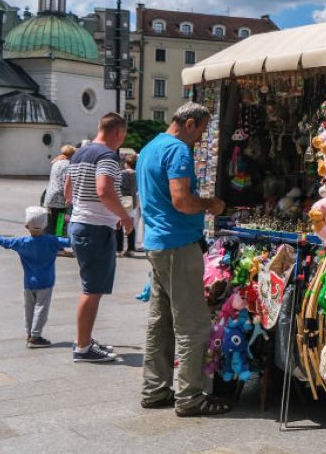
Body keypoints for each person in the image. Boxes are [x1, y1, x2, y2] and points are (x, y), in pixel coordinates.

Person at [139, 102, 230, 417]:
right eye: (202, 130)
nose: (201, 138)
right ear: (189, 123)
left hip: (156, 243)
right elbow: (181, 200)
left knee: (160, 322)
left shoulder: (150, 147)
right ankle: (190, 397)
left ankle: (154, 389)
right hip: (178, 245)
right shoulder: (177, 150)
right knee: (192, 324)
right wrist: (210, 204)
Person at [65, 113, 135, 363]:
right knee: (92, 290)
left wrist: (94, 210)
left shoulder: (79, 153)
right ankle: (83, 348)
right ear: (118, 132)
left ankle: (84, 339)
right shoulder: (106, 156)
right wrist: (124, 217)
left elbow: (68, 193)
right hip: (94, 229)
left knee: (91, 287)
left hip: (81, 223)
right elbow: (104, 190)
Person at [0, 207, 71, 348]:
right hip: (46, 282)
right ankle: (36, 337)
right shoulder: (53, 241)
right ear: (45, 225)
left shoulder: (21, 242)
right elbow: (71, 242)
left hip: (28, 283)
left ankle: (29, 333)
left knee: (29, 308)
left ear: (26, 226)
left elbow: (4, 242)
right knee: (41, 309)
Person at [44, 145, 76, 240]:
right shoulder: (69, 165)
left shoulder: (56, 163)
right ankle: (59, 247)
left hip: (50, 195)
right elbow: (67, 183)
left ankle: (50, 243)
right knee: (60, 222)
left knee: (51, 222)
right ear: (72, 155)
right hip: (61, 197)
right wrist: (68, 199)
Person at [117, 152, 139, 257]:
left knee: (119, 224)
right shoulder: (137, 174)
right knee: (131, 225)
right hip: (134, 202)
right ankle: (130, 248)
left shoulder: (123, 174)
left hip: (124, 201)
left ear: (126, 163)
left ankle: (118, 248)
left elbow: (120, 188)